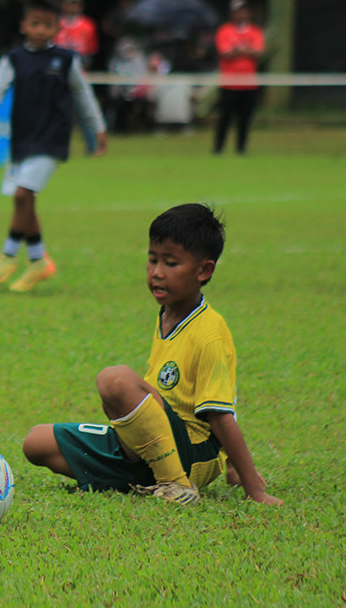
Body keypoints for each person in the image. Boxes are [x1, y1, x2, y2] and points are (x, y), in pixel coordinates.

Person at [22, 204, 283, 507]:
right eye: (152, 260)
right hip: (152, 444)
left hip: (192, 452)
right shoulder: (168, 314)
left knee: (115, 379)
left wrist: (253, 487)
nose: (157, 273)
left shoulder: (210, 332)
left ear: (204, 270)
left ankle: (176, 484)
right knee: (35, 443)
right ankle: (146, 476)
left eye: (171, 263)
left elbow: (221, 414)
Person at [0, 0, 107, 293]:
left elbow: (83, 96)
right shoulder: (14, 58)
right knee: (25, 200)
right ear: (23, 26)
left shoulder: (66, 60)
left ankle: (7, 255)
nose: (41, 29)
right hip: (23, 139)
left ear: (57, 28)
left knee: (22, 195)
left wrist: (98, 128)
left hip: (52, 138)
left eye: (47, 24)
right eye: (35, 23)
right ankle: (38, 260)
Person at [213, 0, 265, 155]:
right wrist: (244, 50)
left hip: (248, 83)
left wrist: (239, 50)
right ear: (232, 13)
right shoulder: (224, 31)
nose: (242, 14)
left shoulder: (255, 31)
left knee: (245, 118)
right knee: (225, 118)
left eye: (244, 11)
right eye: (238, 11)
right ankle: (218, 149)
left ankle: (241, 149)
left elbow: (257, 52)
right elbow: (226, 53)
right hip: (229, 83)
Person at [54, 0, 100, 153]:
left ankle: (92, 147)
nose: (72, 7)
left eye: (75, 4)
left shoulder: (87, 26)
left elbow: (91, 51)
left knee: (85, 112)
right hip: (59, 76)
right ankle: (58, 147)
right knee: (58, 114)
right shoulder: (57, 24)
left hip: (80, 74)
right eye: (69, 4)